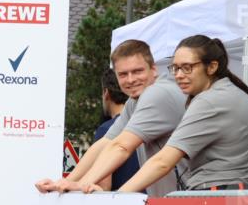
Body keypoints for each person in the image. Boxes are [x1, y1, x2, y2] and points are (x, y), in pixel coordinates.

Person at [77, 35, 248, 193]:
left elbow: (162, 162)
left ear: (212, 67)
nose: (179, 75)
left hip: (211, 197)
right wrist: (242, 189)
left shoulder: (207, 101)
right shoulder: (238, 95)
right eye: (175, 68)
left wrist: (119, 197)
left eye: (187, 68)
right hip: (240, 198)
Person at [36, 39, 186, 196]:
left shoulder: (157, 93)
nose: (131, 79)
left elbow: (121, 147)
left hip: (191, 199)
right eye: (123, 74)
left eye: (137, 71)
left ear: (153, 69)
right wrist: (65, 183)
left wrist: (81, 184)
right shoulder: (134, 101)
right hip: (175, 200)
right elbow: (106, 143)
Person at [94, 68, 139, 191]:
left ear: (106, 93)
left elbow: (103, 185)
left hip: (121, 204)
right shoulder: (143, 124)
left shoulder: (106, 130)